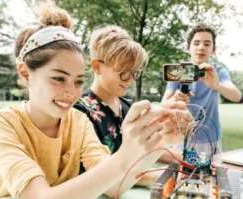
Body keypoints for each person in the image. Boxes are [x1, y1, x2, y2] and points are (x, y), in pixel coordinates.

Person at [0, 1, 191, 199]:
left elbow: (113, 186)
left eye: (79, 81)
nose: (71, 92)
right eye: (58, 78)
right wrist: (125, 155)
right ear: (25, 73)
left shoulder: (78, 121)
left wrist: (157, 143)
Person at [74, 25, 187, 168]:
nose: (131, 79)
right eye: (124, 71)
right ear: (97, 66)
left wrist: (196, 163)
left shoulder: (128, 106)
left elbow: (150, 150)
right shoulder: (79, 112)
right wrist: (176, 175)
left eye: (135, 72)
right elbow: (106, 173)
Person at [162, 23, 242, 155]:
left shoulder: (218, 71)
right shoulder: (178, 71)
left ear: (213, 49)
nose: (201, 47)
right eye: (196, 43)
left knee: (212, 174)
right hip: (181, 136)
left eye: (207, 44)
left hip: (210, 137)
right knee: (180, 173)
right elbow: (164, 103)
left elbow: (237, 96)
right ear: (188, 48)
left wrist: (218, 86)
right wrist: (175, 98)